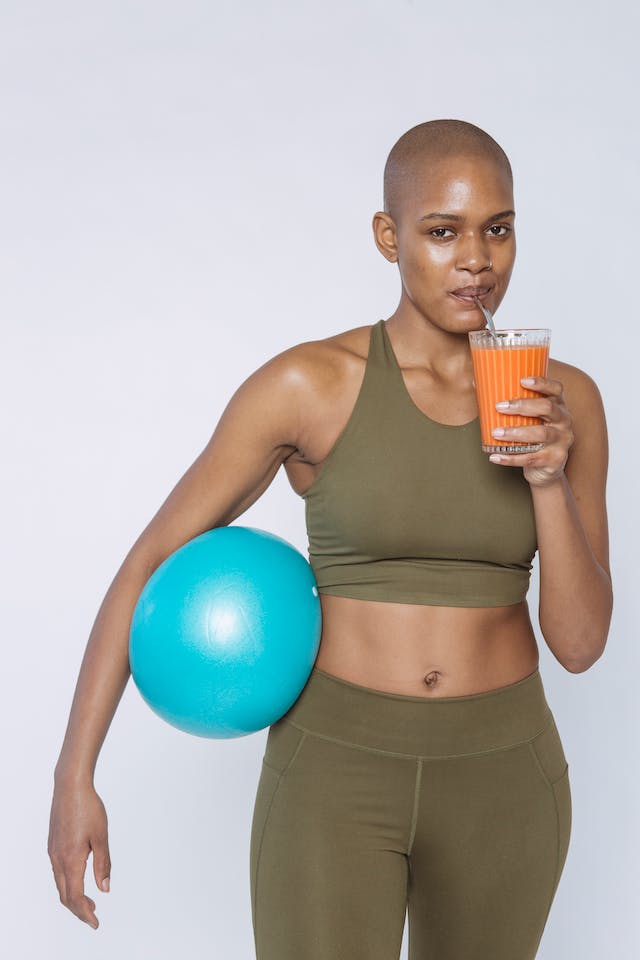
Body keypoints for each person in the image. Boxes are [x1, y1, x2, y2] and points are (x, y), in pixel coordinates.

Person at [48, 119, 612, 959]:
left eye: (498, 228)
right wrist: (73, 776)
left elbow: (579, 643)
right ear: (389, 238)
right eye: (441, 231)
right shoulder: (308, 386)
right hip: (334, 771)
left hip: (505, 774)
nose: (476, 259)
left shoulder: (567, 400)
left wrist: (546, 478)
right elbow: (149, 564)